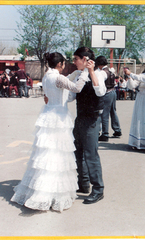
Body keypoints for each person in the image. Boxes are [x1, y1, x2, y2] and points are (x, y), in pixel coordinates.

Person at [11, 52, 91, 212]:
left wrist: (76, 73)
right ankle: (51, 193)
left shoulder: (47, 75)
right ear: (60, 64)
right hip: (58, 116)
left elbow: (67, 79)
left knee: (46, 153)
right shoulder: (58, 77)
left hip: (48, 113)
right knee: (57, 153)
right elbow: (76, 87)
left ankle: (42, 189)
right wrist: (86, 72)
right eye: (64, 63)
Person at [68, 47, 106, 204]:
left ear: (85, 60)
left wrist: (91, 72)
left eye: (76, 59)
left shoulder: (98, 74)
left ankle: (98, 189)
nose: (74, 62)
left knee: (91, 154)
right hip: (80, 118)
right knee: (78, 152)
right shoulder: (77, 75)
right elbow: (70, 95)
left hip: (92, 119)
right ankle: (83, 184)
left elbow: (100, 92)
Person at [95, 55, 122, 142]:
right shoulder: (110, 71)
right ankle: (117, 130)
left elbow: (100, 83)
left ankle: (105, 134)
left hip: (107, 92)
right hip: (113, 92)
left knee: (104, 114)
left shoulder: (103, 73)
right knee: (113, 111)